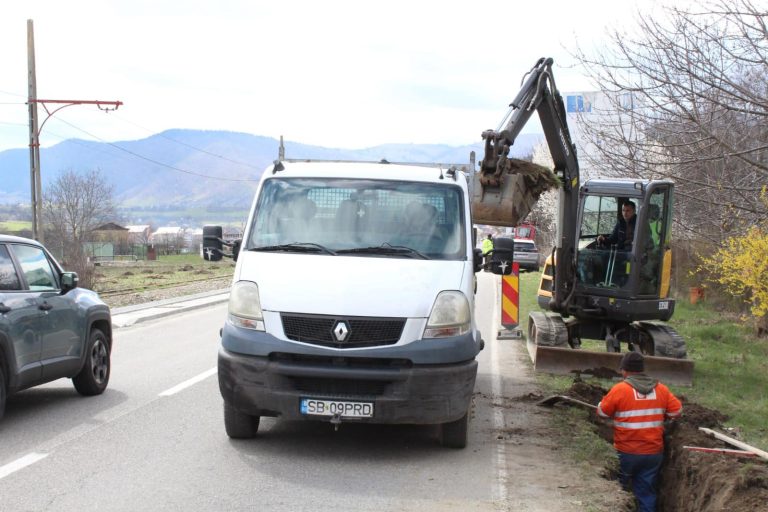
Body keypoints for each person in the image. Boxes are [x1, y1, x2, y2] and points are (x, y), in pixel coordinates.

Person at [597, 352, 682, 512]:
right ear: (642, 369)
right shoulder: (661, 389)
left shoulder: (620, 389)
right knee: (646, 492)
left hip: (626, 452)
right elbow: (676, 411)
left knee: (619, 490)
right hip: (653, 453)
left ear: (624, 370)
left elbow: (602, 412)